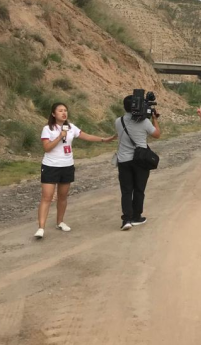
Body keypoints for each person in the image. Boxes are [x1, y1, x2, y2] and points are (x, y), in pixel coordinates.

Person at [35, 102, 115, 239]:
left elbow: (86, 136)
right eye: (60, 110)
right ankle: (41, 228)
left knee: (63, 196)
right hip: (51, 166)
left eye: (65, 110)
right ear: (53, 114)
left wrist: (103, 139)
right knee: (47, 197)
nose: (64, 113)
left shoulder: (71, 127)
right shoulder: (47, 129)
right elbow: (47, 148)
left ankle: (60, 222)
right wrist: (60, 136)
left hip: (67, 165)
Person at [114, 95, 161, 231]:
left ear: (125, 107)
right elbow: (157, 134)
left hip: (123, 160)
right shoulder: (145, 122)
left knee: (126, 191)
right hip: (140, 160)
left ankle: (126, 220)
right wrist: (154, 119)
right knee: (139, 189)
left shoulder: (118, 121)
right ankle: (136, 217)